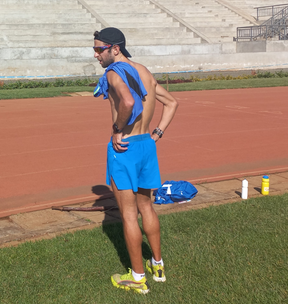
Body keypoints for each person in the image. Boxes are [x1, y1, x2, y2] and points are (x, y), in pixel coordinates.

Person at [92, 27, 178, 294]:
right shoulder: (144, 71)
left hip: (126, 147)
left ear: (115, 49)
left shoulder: (113, 73)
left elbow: (128, 102)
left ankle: (138, 277)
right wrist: (157, 133)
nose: (96, 54)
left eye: (99, 49)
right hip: (146, 147)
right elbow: (172, 102)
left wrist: (117, 129)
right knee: (147, 208)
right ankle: (158, 265)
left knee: (129, 215)